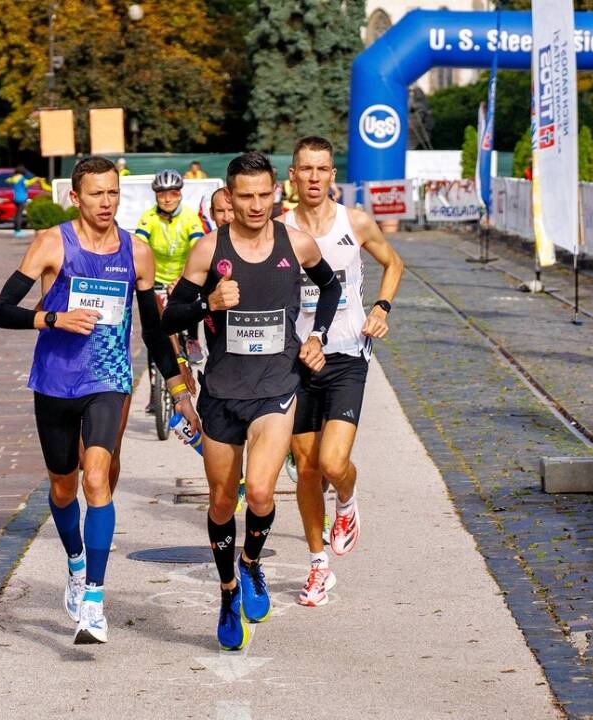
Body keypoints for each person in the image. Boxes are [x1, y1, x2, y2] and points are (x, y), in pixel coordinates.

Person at [0, 155, 199, 645]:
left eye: (113, 192)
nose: (106, 202)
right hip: (54, 384)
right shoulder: (51, 243)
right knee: (64, 488)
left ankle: (94, 602)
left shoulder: (136, 252)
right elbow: (0, 312)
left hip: (109, 380)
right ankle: (76, 561)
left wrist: (178, 389)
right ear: (75, 197)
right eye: (96, 194)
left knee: (98, 477)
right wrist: (52, 319)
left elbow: (154, 327)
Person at [162, 152, 342, 650]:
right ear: (229, 197)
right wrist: (207, 304)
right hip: (221, 393)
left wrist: (318, 336)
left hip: (276, 388)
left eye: (265, 194)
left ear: (275, 194)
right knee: (223, 501)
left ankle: (251, 566)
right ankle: (226, 592)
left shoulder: (297, 243)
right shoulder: (207, 250)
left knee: (260, 494)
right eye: (245, 196)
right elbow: (169, 319)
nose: (256, 204)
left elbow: (330, 287)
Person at [282, 136, 404, 607]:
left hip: (348, 352)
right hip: (297, 360)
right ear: (292, 176)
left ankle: (348, 503)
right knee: (307, 470)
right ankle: (317, 568)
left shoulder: (355, 223)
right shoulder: (280, 230)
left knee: (333, 464)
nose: (314, 178)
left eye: (322, 169)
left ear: (333, 175)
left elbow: (394, 263)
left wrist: (382, 307)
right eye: (305, 169)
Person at [135, 169, 207, 372]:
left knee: (192, 299)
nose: (167, 199)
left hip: (184, 275)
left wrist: (184, 278)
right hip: (156, 277)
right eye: (161, 194)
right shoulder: (148, 217)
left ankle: (192, 339)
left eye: (173, 193)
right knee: (153, 326)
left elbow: (198, 249)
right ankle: (153, 388)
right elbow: (139, 247)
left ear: (180, 194)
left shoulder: (190, 218)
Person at [6, 166, 31, 238]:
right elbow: (27, 184)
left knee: (16, 214)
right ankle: (18, 231)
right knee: (19, 215)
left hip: (15, 197)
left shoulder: (14, 178)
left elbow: (7, 180)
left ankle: (15, 230)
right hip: (22, 198)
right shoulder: (23, 179)